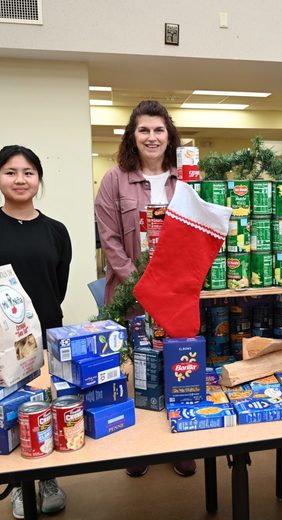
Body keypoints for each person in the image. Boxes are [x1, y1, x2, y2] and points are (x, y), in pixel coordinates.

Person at [0, 145, 71, 520]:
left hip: (46, 338)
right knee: (10, 414)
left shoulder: (56, 231)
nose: (20, 179)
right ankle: (18, 485)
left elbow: (59, 286)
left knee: (48, 407)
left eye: (28, 172)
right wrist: (0, 338)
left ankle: (49, 478)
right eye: (10, 172)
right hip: (1, 345)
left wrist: (40, 332)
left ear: (39, 179)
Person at [94, 100, 197, 478]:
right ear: (132, 136)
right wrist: (138, 283)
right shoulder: (114, 179)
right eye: (144, 130)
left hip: (178, 290)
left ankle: (179, 439)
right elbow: (108, 239)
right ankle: (137, 447)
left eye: (158, 130)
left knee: (178, 364)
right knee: (137, 369)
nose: (151, 137)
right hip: (131, 293)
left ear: (169, 135)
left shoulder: (185, 177)